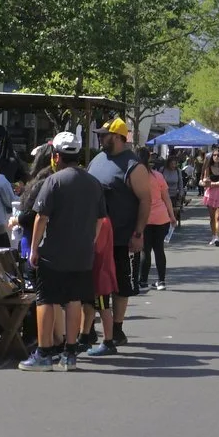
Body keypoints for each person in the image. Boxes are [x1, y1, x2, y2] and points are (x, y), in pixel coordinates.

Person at [22, 132, 105, 370]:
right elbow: (100, 220)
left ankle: (44, 352)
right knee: (74, 300)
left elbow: (41, 217)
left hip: (54, 253)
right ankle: (70, 353)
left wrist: (35, 248)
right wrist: (90, 240)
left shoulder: (54, 181)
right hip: (82, 254)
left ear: (56, 156)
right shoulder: (92, 182)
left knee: (46, 300)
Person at [86, 118, 142, 355]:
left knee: (119, 283)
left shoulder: (133, 165)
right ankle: (88, 330)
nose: (100, 138)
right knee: (94, 284)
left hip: (120, 236)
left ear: (118, 137)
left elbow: (145, 200)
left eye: (104, 134)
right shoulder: (97, 160)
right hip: (95, 236)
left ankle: (117, 329)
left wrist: (138, 233)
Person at [134, 152, 174, 291]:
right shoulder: (158, 176)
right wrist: (172, 216)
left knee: (146, 250)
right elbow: (166, 197)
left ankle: (143, 280)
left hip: (144, 218)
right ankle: (161, 281)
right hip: (161, 217)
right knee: (159, 249)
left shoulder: (137, 177)